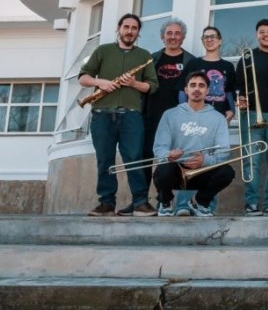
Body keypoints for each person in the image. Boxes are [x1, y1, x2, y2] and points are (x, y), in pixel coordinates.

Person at [79, 13, 159, 216]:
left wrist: (133, 83)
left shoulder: (144, 55)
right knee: (104, 159)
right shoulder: (103, 51)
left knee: (134, 158)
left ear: (138, 32)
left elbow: (153, 86)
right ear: (119, 29)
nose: (130, 31)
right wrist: (101, 83)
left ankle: (140, 202)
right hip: (102, 114)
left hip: (131, 116)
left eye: (134, 28)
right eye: (126, 27)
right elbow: (83, 77)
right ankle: (106, 203)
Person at [152, 71, 233, 217]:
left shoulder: (218, 118)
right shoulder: (170, 115)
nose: (197, 89)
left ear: (207, 91)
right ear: (186, 90)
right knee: (161, 171)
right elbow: (159, 147)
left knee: (227, 172)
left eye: (201, 86)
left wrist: (205, 160)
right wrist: (168, 155)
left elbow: (224, 150)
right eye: (193, 85)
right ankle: (166, 203)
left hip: (202, 170)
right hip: (176, 169)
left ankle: (199, 202)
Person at [236, 19, 268, 216]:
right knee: (251, 162)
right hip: (253, 114)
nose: (265, 35)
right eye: (261, 32)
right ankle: (251, 203)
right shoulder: (247, 57)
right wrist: (241, 99)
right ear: (257, 35)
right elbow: (237, 85)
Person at [142, 18, 194, 193]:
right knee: (146, 158)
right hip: (151, 116)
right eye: (169, 33)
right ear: (162, 36)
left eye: (177, 33)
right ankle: (142, 201)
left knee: (178, 160)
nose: (173, 37)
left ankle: (170, 201)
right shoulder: (151, 59)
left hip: (179, 120)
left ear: (183, 37)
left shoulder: (191, 61)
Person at [180, 26, 236, 122]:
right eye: (205, 37)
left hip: (220, 117)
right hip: (195, 117)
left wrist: (232, 111)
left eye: (212, 36)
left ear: (220, 41)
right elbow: (182, 90)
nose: (209, 39)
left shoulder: (228, 66)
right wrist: (185, 112)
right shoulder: (193, 64)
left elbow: (228, 92)